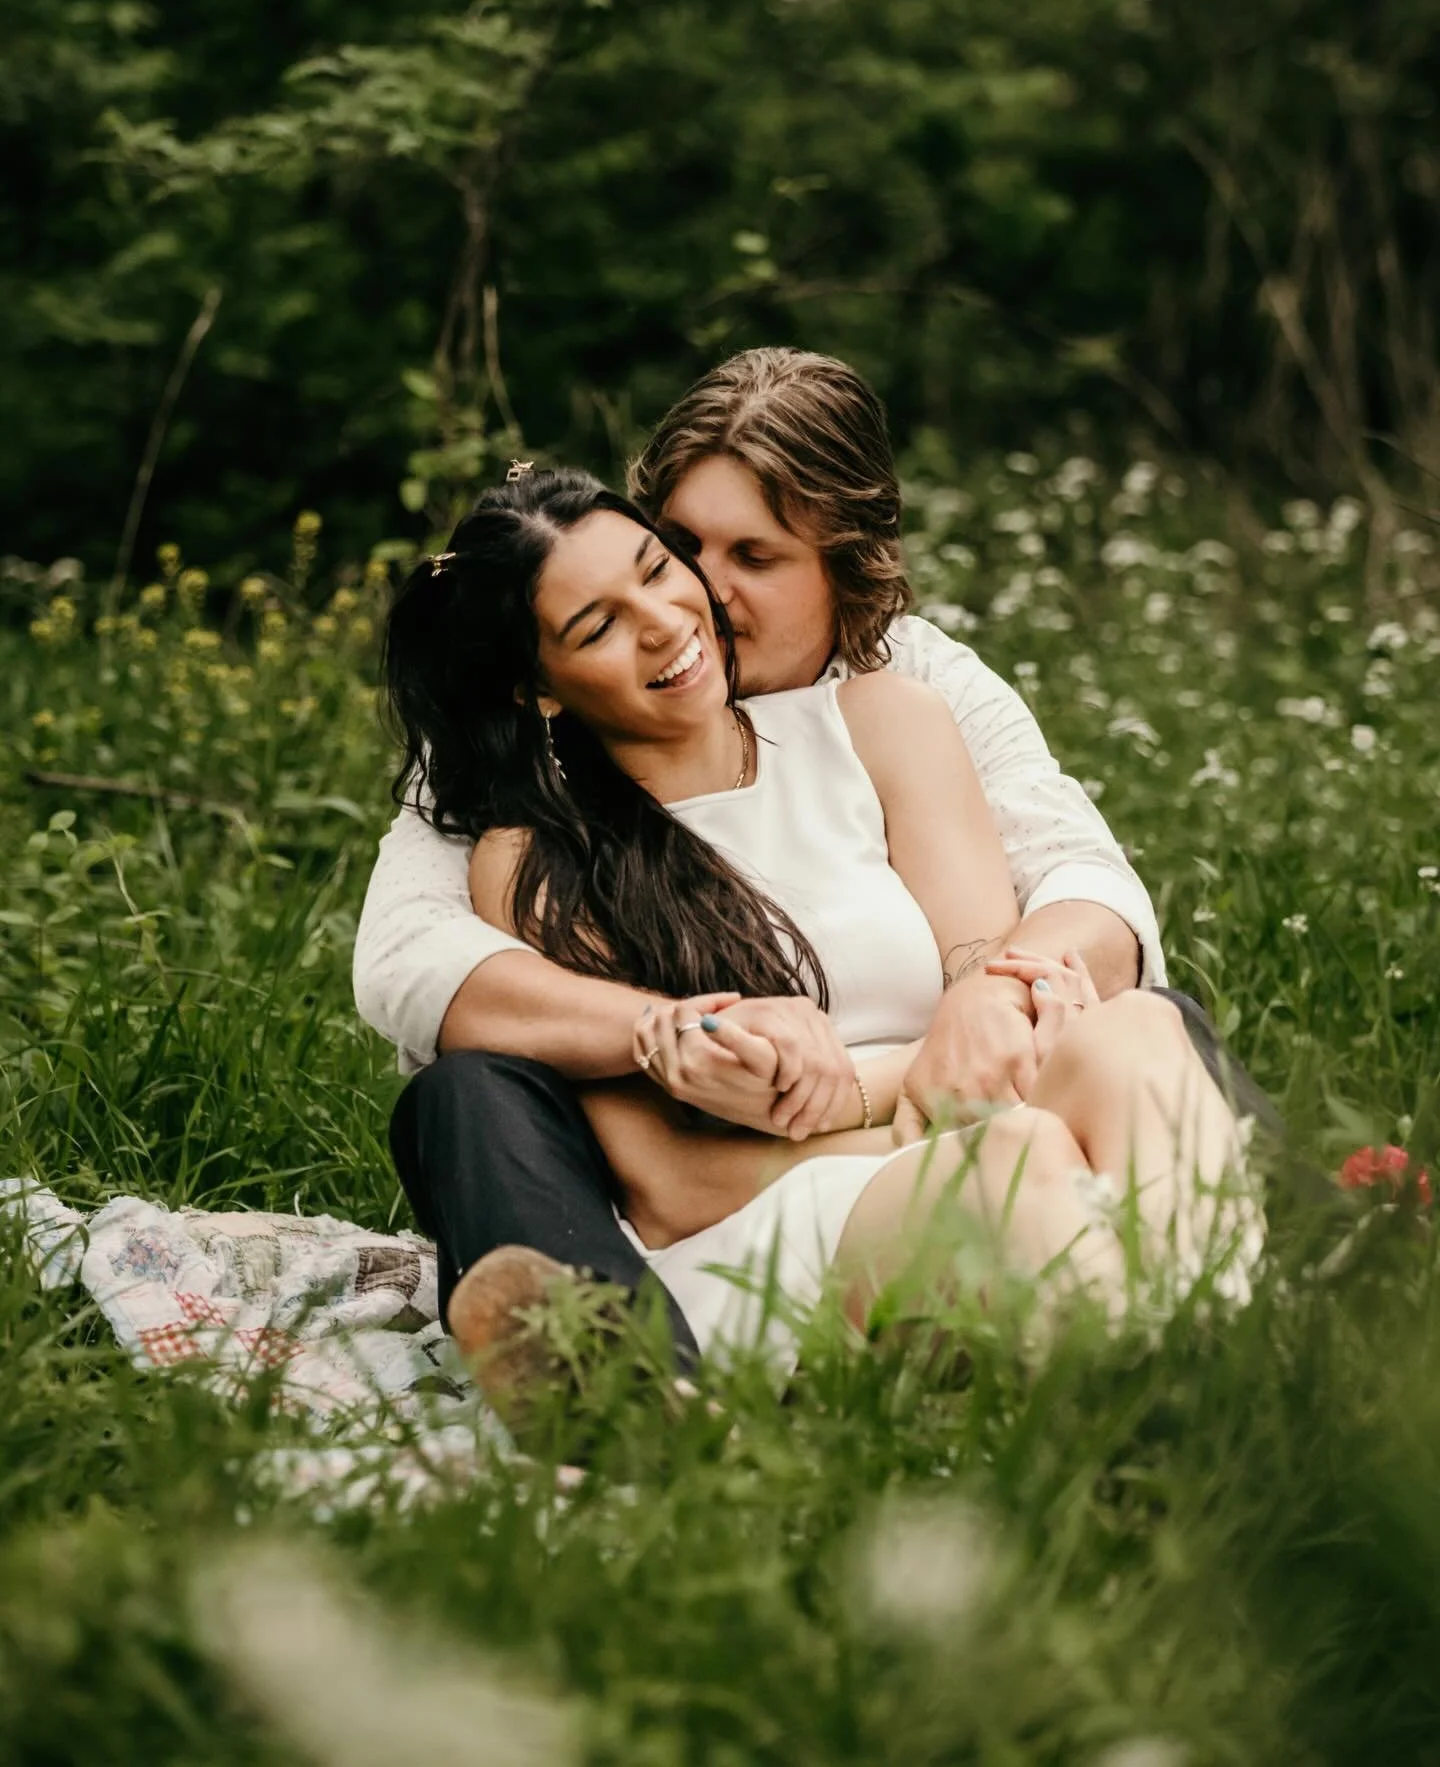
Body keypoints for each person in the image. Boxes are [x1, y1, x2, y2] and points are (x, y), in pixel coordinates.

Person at [355, 349, 1270, 1365]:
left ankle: (1223, 1359)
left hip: (955, 1135)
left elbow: (1004, 967)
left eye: (668, 571)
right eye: (603, 620)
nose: (680, 609)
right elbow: (666, 1188)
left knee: (1141, 1029)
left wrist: (918, 1061)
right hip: (763, 1225)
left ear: (838, 564)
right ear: (542, 686)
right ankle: (1178, 1388)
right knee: (1019, 1151)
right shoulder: (537, 851)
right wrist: (924, 1110)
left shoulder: (892, 710)